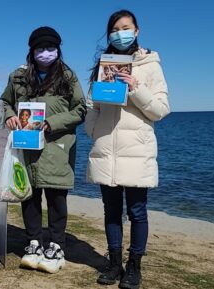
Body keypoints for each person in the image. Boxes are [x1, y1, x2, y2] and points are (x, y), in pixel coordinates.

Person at [85, 10, 170, 289]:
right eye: (115, 29)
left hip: (137, 149)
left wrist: (136, 87)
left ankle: (134, 266)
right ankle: (113, 263)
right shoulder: (104, 64)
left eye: (126, 27)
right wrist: (93, 129)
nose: (120, 33)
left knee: (137, 211)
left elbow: (160, 110)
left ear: (136, 31)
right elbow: (91, 105)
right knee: (111, 211)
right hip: (106, 147)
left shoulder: (150, 64)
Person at [1, 26, 86, 274]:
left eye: (51, 48)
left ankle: (57, 245)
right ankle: (34, 242)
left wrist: (53, 123)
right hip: (26, 148)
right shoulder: (17, 76)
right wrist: (8, 116)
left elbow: (80, 109)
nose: (45, 53)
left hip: (57, 147)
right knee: (29, 197)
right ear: (32, 51)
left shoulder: (68, 77)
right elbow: (5, 102)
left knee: (57, 197)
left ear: (58, 50)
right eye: (40, 48)